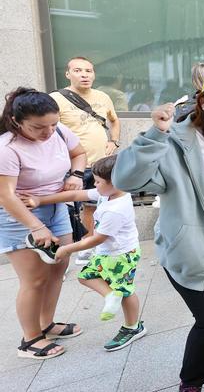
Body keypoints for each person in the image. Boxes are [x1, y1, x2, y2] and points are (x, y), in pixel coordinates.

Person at [112, 70, 204, 392]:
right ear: (202, 100)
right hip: (190, 246)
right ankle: (190, 384)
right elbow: (125, 180)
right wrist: (154, 134)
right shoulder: (176, 139)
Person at [21, 154, 146, 351]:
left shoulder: (115, 209)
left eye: (97, 181)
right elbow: (74, 195)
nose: (94, 185)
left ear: (117, 182)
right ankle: (111, 295)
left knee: (125, 291)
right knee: (86, 276)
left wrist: (66, 249)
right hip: (109, 253)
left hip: (121, 255)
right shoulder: (109, 193)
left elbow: (97, 239)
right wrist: (40, 200)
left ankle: (133, 327)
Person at [0, 88, 86, 360]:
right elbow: (6, 195)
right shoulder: (7, 148)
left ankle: (46, 324)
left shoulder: (58, 131)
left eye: (53, 124)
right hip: (18, 215)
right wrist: (36, 227)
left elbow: (79, 153)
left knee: (58, 267)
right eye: (38, 127)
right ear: (16, 120)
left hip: (54, 205)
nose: (48, 132)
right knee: (34, 279)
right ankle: (30, 339)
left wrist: (76, 174)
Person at [51, 56, 121, 265]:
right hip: (71, 166)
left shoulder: (103, 96)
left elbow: (114, 120)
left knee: (93, 206)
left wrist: (114, 142)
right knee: (64, 210)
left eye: (89, 71)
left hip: (100, 165)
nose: (84, 75)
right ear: (68, 74)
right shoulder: (56, 98)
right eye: (78, 71)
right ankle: (59, 256)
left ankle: (87, 244)